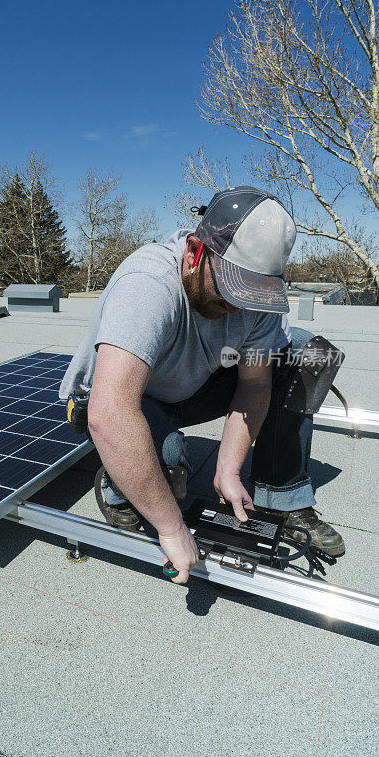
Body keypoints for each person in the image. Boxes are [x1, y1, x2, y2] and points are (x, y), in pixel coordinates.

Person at [60, 186, 344, 584]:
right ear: (195, 253)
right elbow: (111, 413)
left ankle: (283, 497)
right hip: (126, 398)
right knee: (166, 469)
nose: (236, 307)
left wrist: (228, 470)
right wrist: (172, 528)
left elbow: (255, 385)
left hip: (192, 386)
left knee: (304, 352)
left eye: (251, 293)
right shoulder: (149, 283)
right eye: (230, 289)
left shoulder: (258, 301)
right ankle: (117, 482)